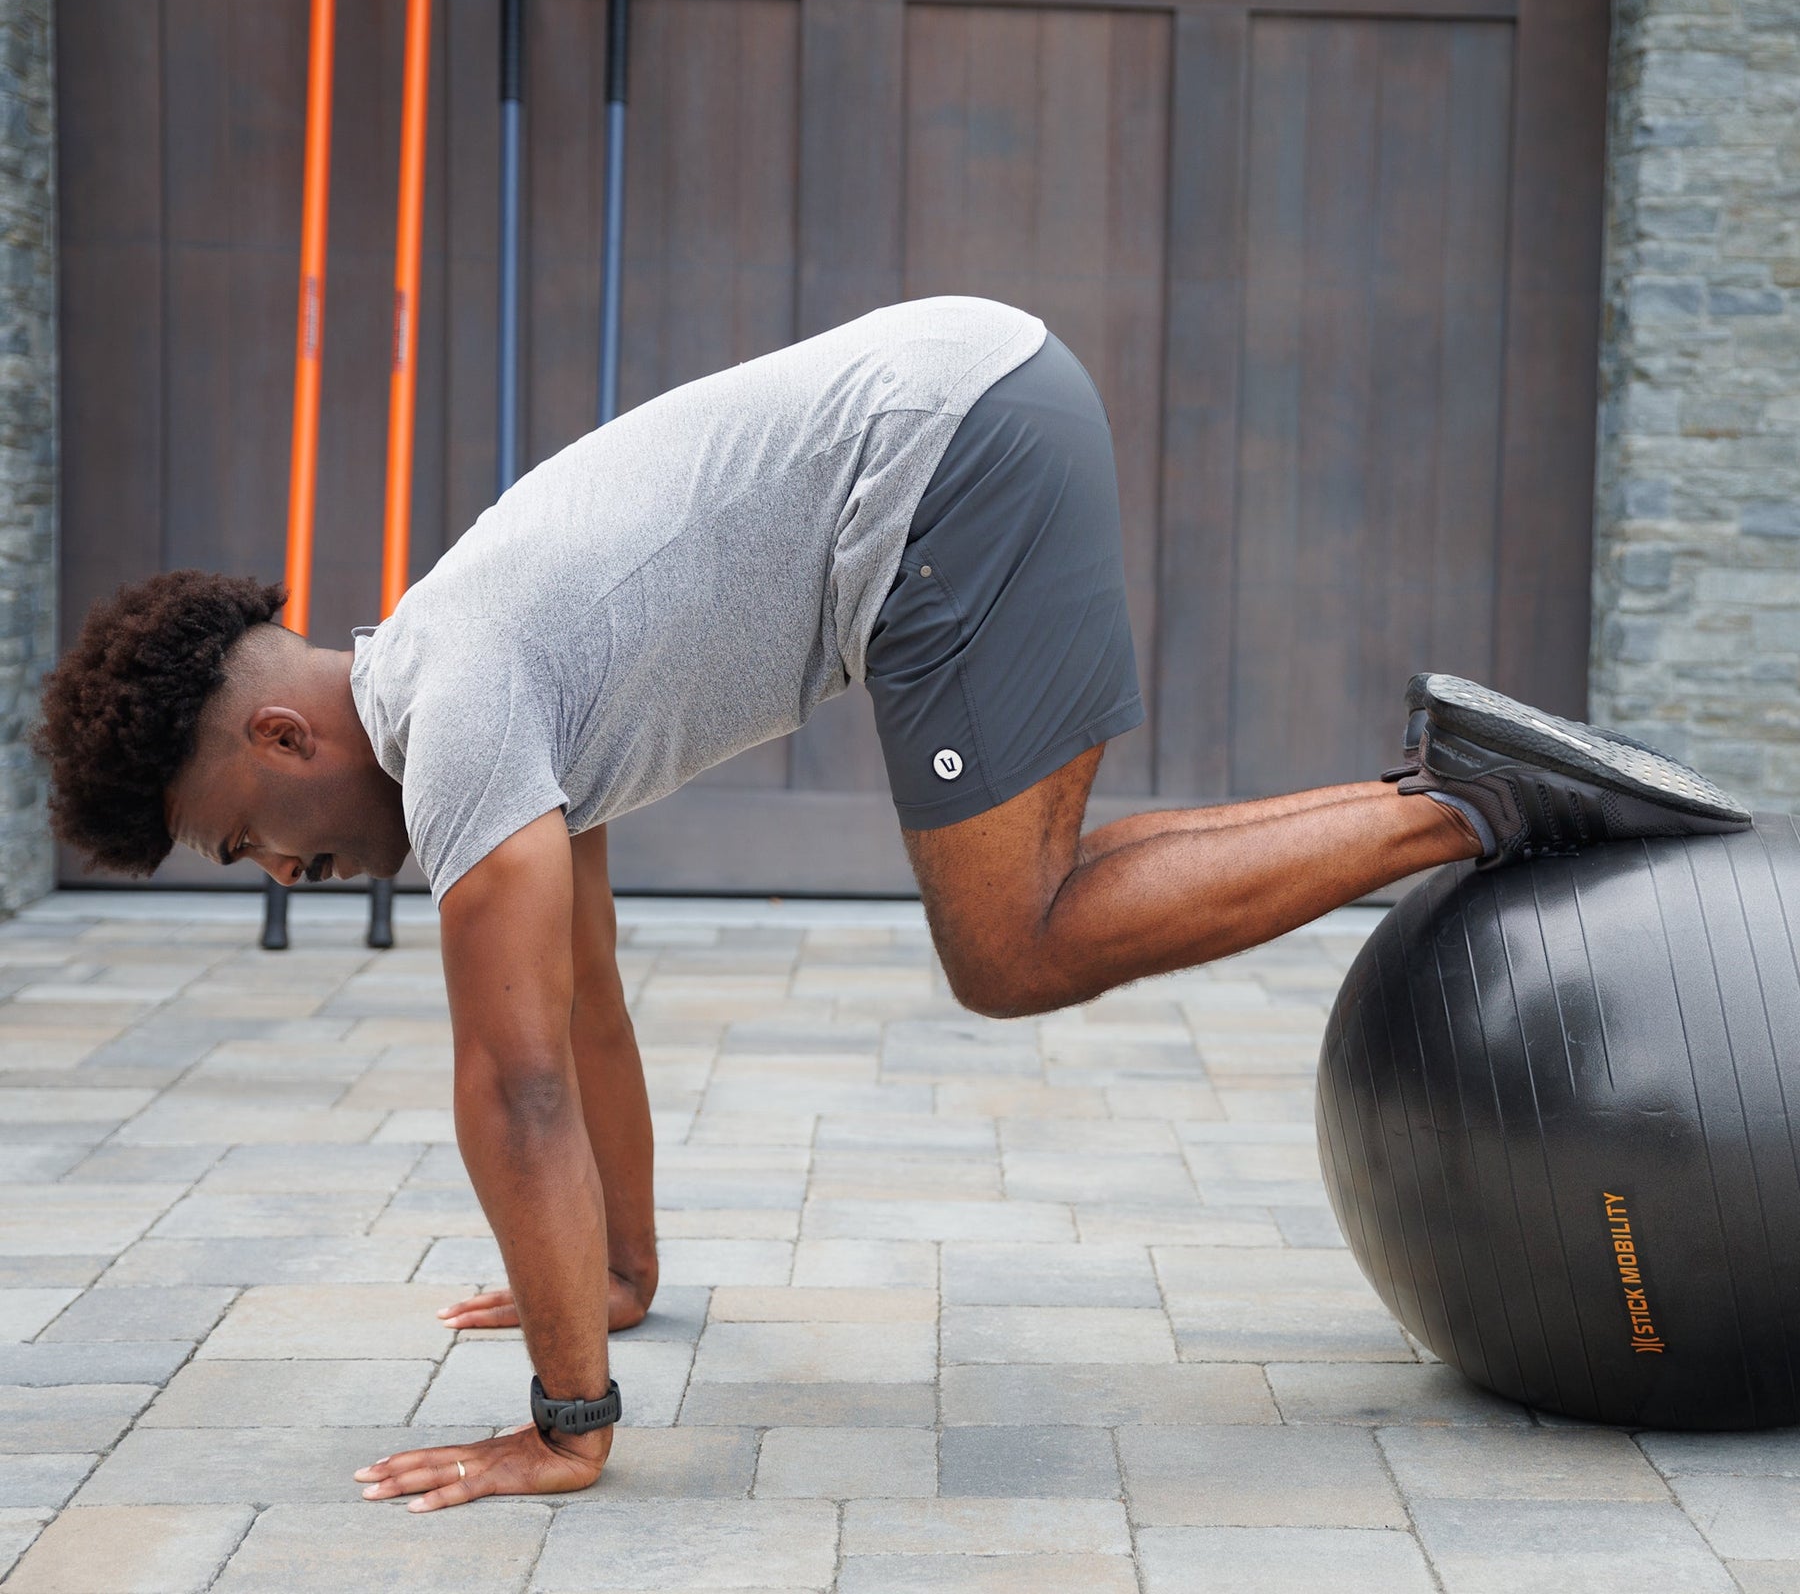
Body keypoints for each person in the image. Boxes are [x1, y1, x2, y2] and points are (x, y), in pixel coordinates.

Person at [34, 297, 1751, 1511]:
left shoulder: (460, 706)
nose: (277, 874)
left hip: (949, 455)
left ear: (281, 732)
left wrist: (567, 1419)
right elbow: (587, 1005)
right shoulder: (468, 676)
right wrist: (616, 1274)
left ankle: (1468, 801)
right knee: (1030, 908)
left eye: (243, 835)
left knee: (1010, 946)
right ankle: (1458, 778)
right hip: (973, 406)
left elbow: (518, 1082)